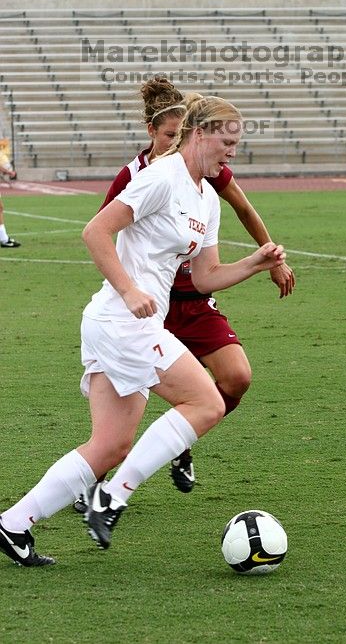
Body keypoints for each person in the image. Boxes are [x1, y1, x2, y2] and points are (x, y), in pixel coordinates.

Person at [0, 96, 286, 566]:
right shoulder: (160, 177)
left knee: (110, 444)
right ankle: (111, 498)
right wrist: (130, 289)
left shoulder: (207, 198)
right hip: (120, 320)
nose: (232, 152)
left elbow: (206, 275)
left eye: (238, 144)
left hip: (125, 324)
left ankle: (13, 525)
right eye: (227, 142)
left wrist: (255, 263)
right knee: (207, 402)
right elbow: (96, 231)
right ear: (200, 134)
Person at [72, 78, 294, 508]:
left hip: (191, 295)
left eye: (181, 133)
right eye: (169, 135)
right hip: (146, 305)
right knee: (119, 427)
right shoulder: (142, 177)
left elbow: (242, 210)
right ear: (155, 134)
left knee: (237, 378)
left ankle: (176, 440)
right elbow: (103, 233)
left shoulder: (207, 175)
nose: (176, 141)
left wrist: (268, 259)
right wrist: (127, 289)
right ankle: (100, 482)